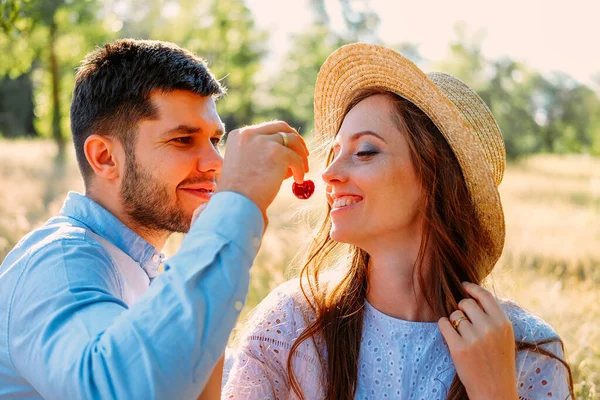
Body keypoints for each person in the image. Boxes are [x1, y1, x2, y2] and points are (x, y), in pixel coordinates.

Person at [222, 43, 573, 399]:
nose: (328, 173)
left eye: (365, 152)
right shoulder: (291, 324)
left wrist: (494, 393)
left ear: (436, 177)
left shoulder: (528, 350)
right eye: (334, 152)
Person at [0, 39, 309, 399]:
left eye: (215, 140)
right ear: (105, 158)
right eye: (182, 140)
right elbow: (118, 389)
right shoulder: (58, 262)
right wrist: (236, 206)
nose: (216, 163)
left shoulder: (149, 272)